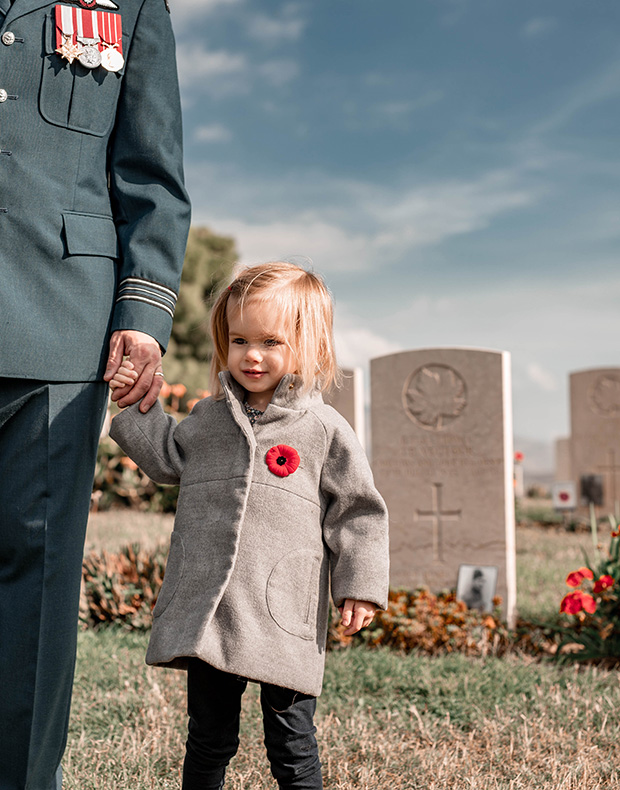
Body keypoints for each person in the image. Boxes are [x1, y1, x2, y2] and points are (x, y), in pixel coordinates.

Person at [0, 0, 190, 785]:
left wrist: (143, 313)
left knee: (39, 579)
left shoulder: (132, 5)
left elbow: (152, 173)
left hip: (59, 319)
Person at [109, 262, 390, 790]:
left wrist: (360, 586)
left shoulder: (323, 427)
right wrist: (131, 403)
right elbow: (168, 458)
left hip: (283, 606)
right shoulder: (209, 418)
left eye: (270, 341)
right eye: (239, 340)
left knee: (291, 740)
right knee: (209, 735)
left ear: (310, 346)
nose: (252, 355)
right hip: (212, 608)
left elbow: (357, 509)